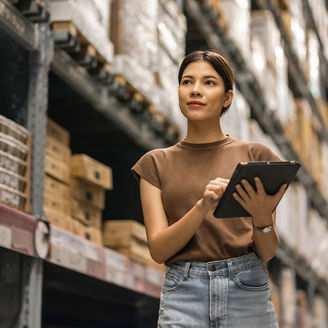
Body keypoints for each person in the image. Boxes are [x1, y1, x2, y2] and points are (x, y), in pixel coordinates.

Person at [132, 49, 287, 327]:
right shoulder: (155, 164)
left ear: (227, 97)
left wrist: (262, 217)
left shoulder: (256, 157)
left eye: (209, 83)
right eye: (187, 82)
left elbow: (266, 252)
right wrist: (203, 206)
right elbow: (158, 250)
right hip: (184, 293)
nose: (195, 91)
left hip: (246, 289)